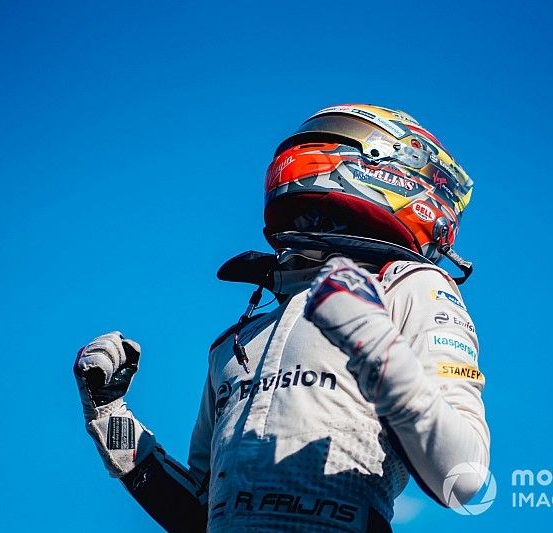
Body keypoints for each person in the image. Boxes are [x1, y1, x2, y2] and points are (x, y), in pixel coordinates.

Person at [74, 104, 490, 532]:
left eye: (333, 134)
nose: (310, 144)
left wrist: (371, 338)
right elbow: (202, 516)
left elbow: (464, 474)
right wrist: (110, 419)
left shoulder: (410, 286)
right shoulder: (234, 343)